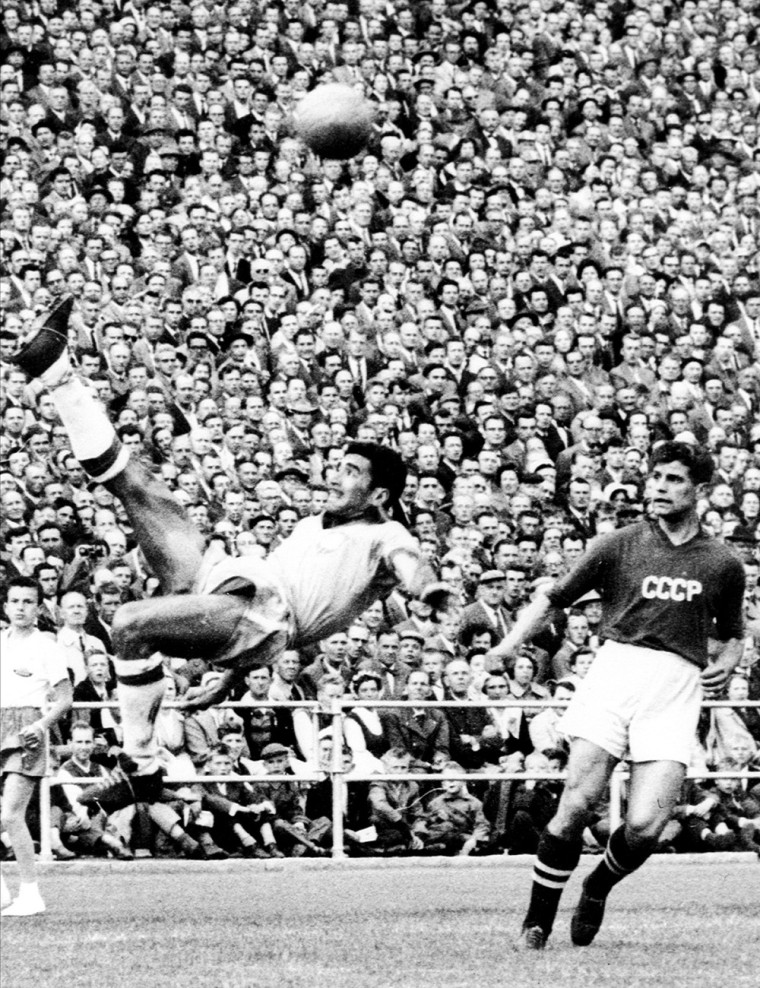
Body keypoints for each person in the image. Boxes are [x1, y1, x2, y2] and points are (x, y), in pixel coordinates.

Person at [14, 313, 448, 803]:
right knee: (140, 485)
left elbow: (410, 565)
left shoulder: (385, 534)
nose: (334, 476)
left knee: (130, 623)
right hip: (232, 582)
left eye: (350, 471)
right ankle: (57, 372)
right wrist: (229, 678)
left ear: (379, 496)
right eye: (338, 465)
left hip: (264, 614)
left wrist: (428, 589)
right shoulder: (317, 523)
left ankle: (140, 765)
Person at [488, 442, 745, 949]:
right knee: (577, 801)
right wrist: (508, 644)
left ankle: (598, 885)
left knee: (648, 824)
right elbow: (554, 598)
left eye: (674, 479)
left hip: (675, 687)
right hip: (615, 674)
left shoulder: (722, 562)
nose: (660, 487)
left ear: (700, 490)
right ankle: (536, 924)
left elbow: (733, 633)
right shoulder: (618, 544)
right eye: (656, 477)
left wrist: (729, 661)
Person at [1, 577, 73, 916]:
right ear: (5, 606)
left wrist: (40, 725)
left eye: (28, 601)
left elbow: (65, 698)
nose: (21, 607)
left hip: (27, 730)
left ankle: (30, 894)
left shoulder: (47, 646)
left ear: (38, 607)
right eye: (15, 601)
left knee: (11, 814)